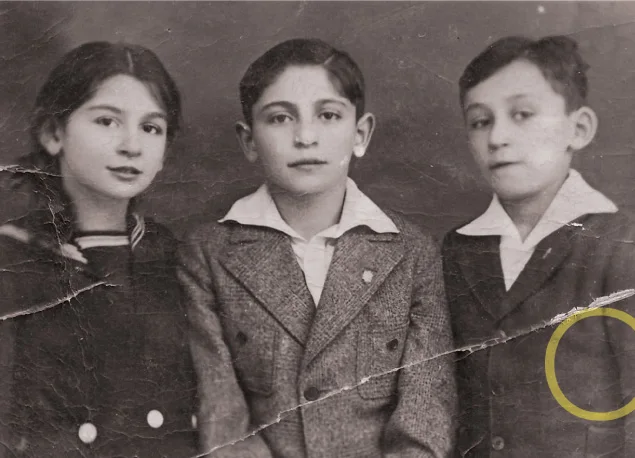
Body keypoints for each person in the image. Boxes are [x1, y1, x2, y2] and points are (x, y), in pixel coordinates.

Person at [178, 38, 456, 458]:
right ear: (249, 140)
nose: (305, 137)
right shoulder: (208, 254)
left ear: (360, 133)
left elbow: (425, 417)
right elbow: (224, 420)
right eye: (280, 118)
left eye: (328, 115)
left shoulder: (411, 252)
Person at [0, 42, 198, 457]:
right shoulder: (12, 257)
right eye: (107, 121)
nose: (132, 145)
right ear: (53, 134)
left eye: (151, 128)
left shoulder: (181, 259)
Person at [442, 35, 635, 457]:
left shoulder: (620, 245)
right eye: (480, 121)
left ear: (578, 129)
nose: (497, 137)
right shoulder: (457, 249)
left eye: (522, 114)